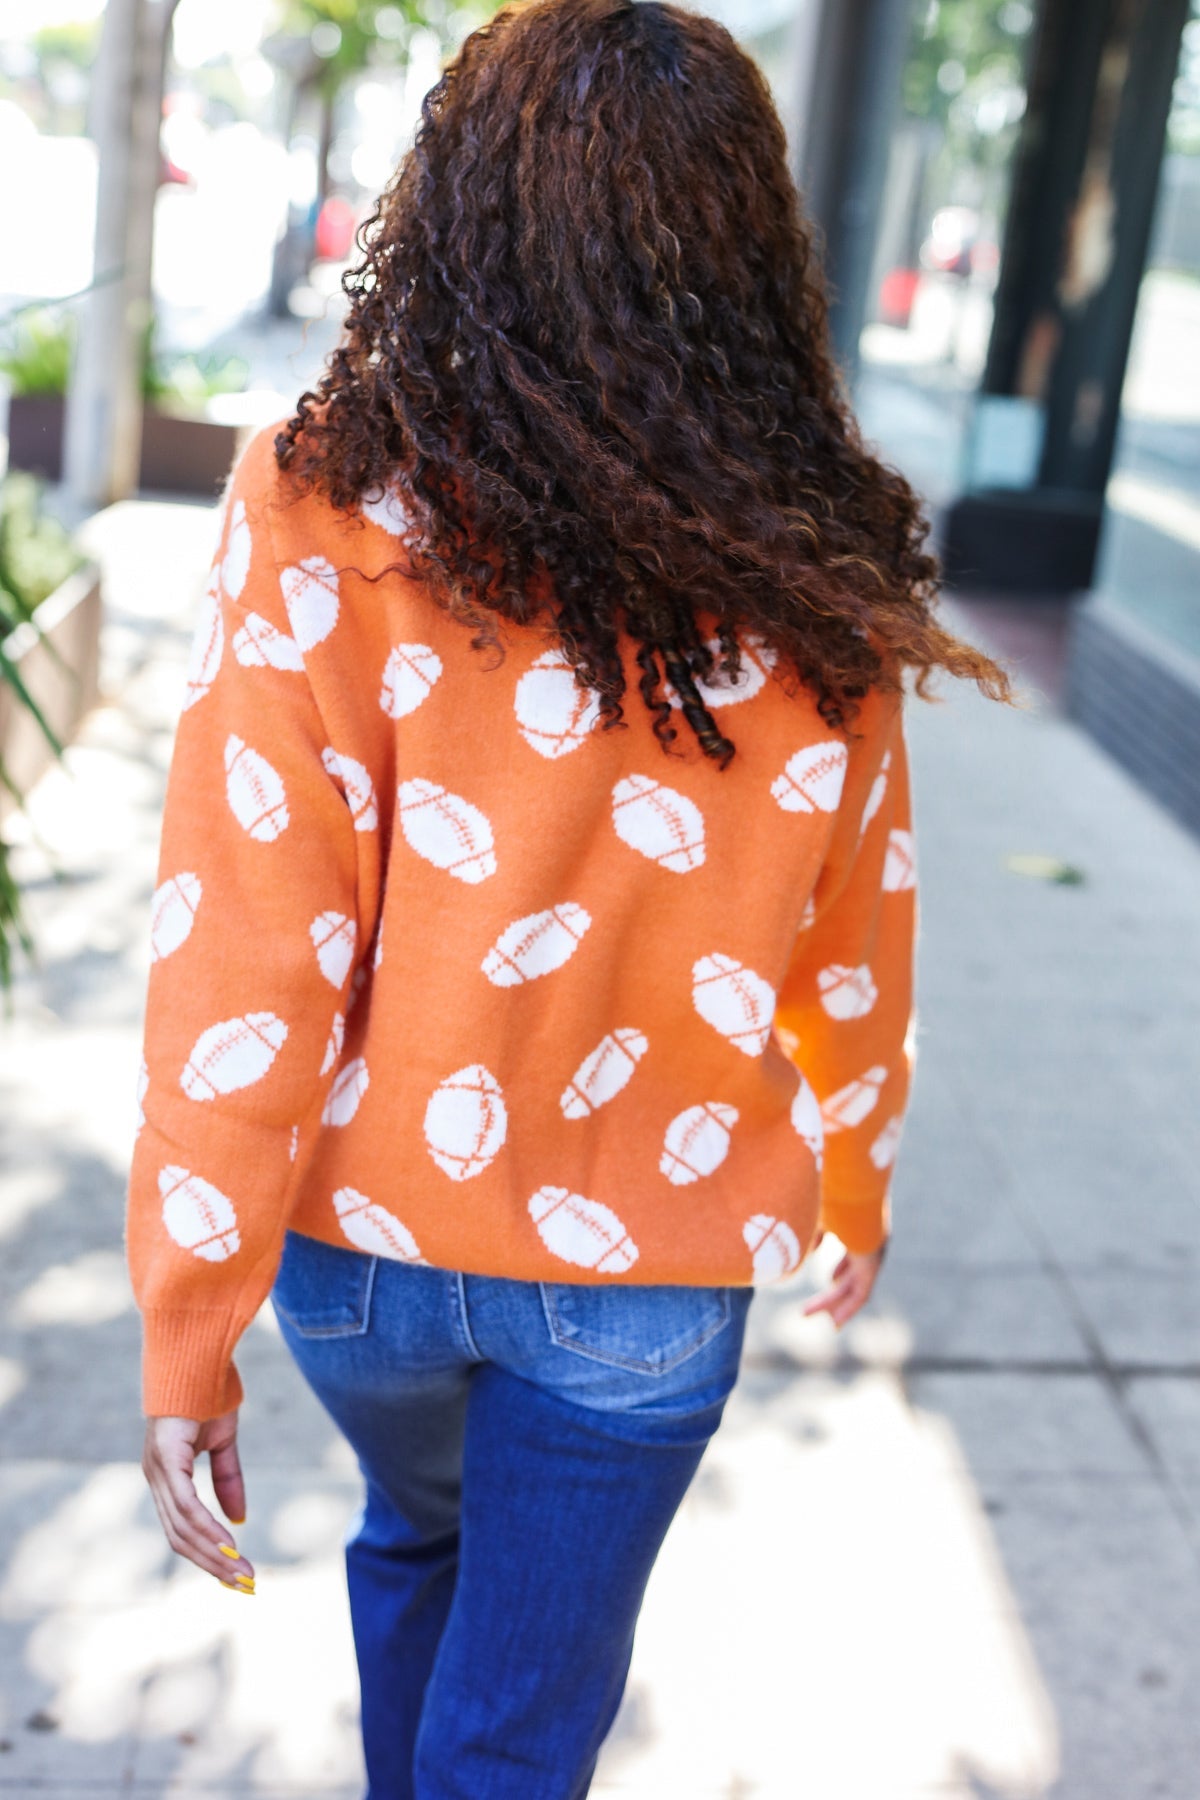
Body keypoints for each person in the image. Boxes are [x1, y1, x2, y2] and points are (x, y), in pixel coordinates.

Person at [127, 2, 1010, 1795]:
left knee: (411, 1542)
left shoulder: (320, 500)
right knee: (517, 1739)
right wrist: (854, 1156)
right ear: (757, 246)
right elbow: (862, 915)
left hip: (361, 1261)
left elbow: (243, 941)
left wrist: (187, 1324)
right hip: (651, 1278)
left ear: (459, 209)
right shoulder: (812, 550)